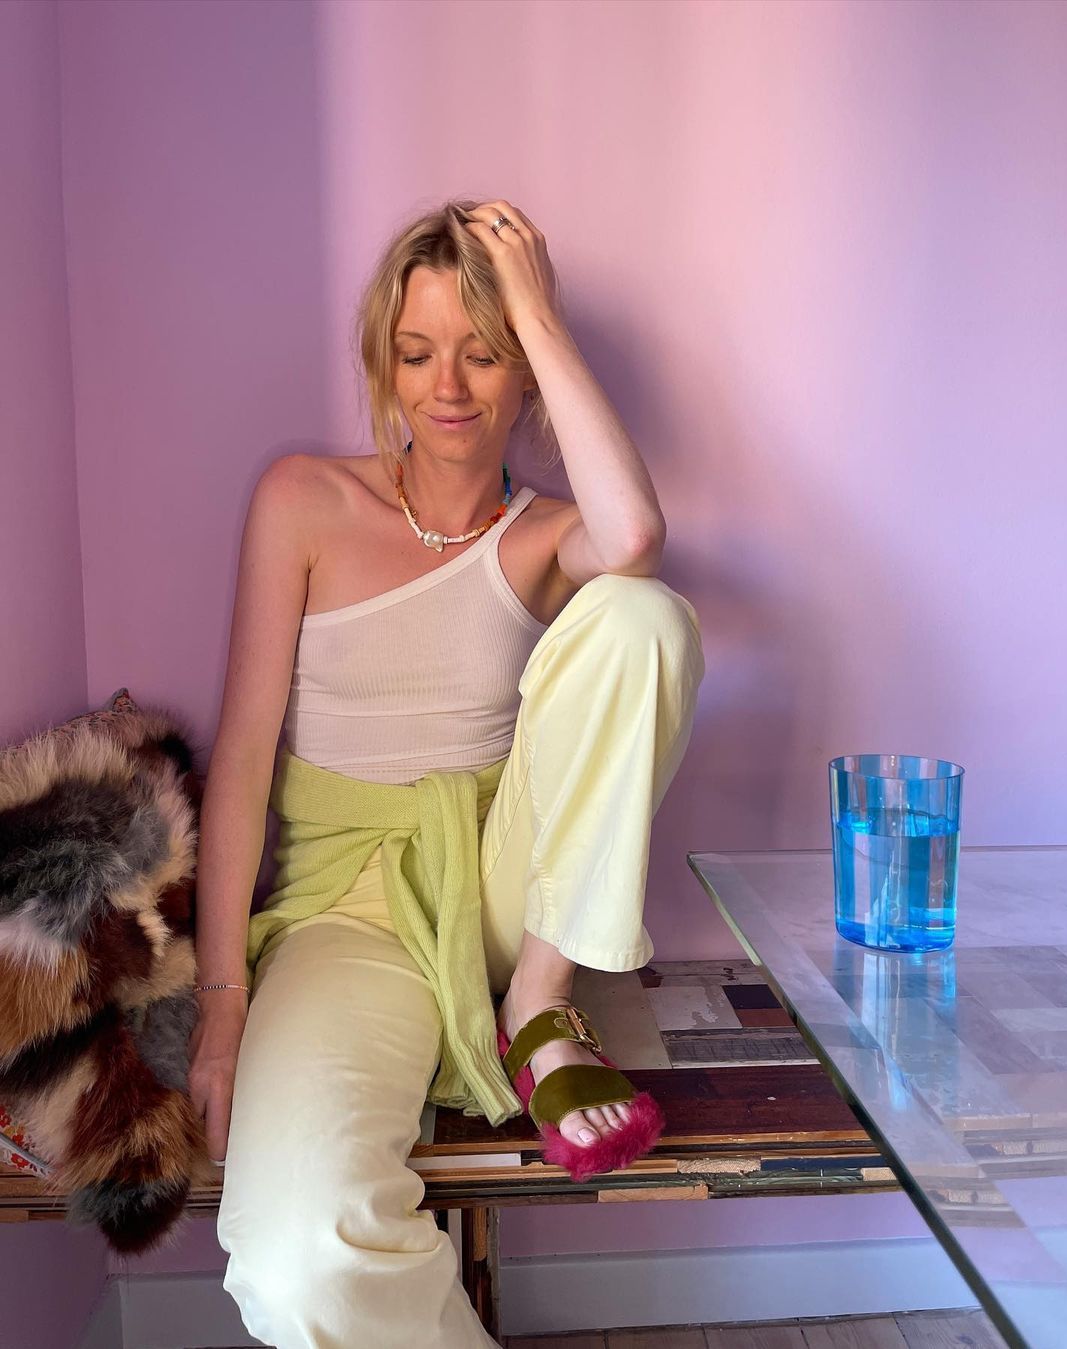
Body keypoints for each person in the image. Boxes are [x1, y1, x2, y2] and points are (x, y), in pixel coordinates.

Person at [188, 198, 706, 1349]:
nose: (449, 386)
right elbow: (242, 759)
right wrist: (222, 1006)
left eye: (485, 351)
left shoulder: (545, 533)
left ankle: (539, 1005)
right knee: (290, 1258)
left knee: (644, 616)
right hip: (345, 911)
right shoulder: (303, 500)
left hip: (502, 896)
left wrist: (536, 307)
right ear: (385, 362)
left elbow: (633, 538)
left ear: (526, 370)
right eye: (417, 352)